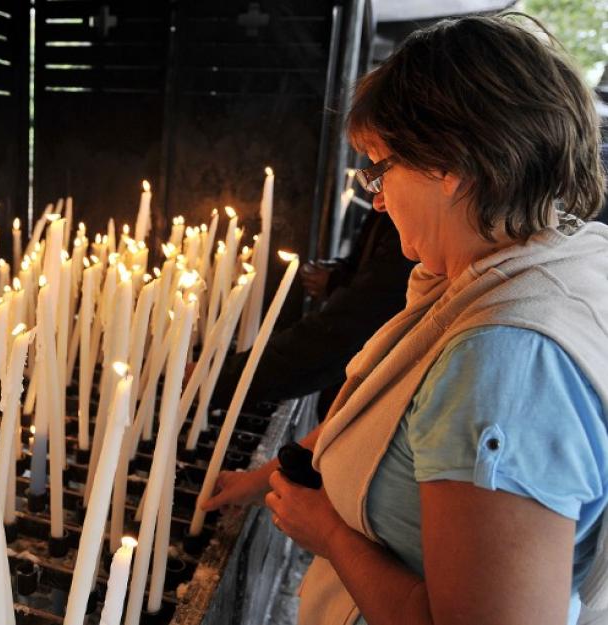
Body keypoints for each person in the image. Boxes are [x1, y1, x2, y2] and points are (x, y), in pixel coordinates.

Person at [201, 14, 608, 625]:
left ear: (448, 162)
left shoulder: (503, 362)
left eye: (379, 166)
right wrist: (266, 476)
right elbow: (392, 411)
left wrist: (332, 535)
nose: (377, 197)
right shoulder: (545, 260)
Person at [209, 208, 415, 416]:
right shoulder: (389, 212)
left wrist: (219, 378)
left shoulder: (410, 236)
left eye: (381, 176)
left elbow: (344, 328)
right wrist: (339, 276)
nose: (377, 201)